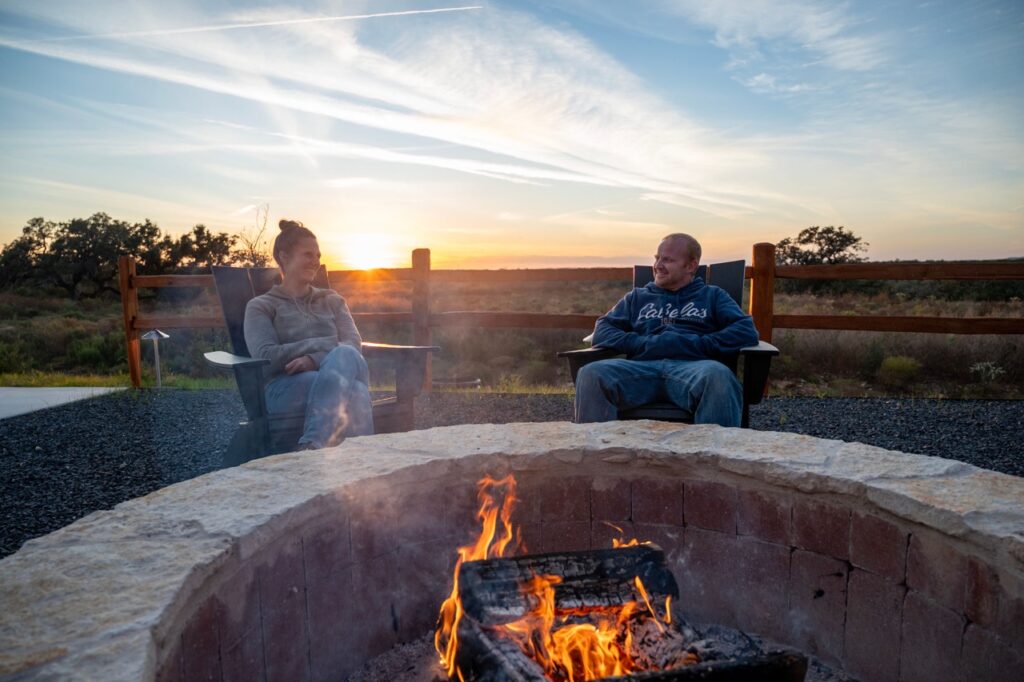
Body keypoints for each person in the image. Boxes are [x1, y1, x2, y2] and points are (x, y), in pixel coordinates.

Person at [574, 233, 759, 427]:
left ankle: (714, 456)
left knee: (719, 377)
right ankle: (597, 454)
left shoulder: (712, 296)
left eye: (668, 260)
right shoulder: (637, 297)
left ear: (690, 266)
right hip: (640, 371)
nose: (658, 265)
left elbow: (745, 330)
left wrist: (694, 345)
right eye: (657, 258)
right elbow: (603, 328)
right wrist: (642, 344)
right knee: (591, 374)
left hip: (694, 370)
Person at [243, 219, 373, 449]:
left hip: (329, 377)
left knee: (343, 356)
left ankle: (313, 445)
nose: (316, 262)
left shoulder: (332, 299)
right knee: (356, 390)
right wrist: (326, 345)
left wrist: (315, 360)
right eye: (308, 255)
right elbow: (266, 356)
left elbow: (353, 345)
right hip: (283, 389)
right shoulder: (261, 306)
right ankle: (362, 462)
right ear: (284, 257)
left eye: (318, 256)